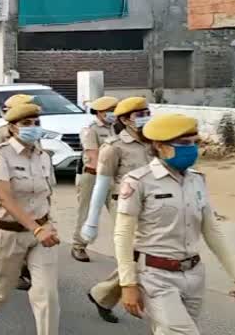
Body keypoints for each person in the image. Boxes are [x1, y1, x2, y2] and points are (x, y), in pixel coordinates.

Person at [116, 114, 235, 333]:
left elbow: (213, 231)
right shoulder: (138, 182)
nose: (192, 149)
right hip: (156, 277)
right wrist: (127, 283)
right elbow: (123, 235)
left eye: (194, 142)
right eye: (184, 144)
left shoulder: (196, 180)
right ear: (160, 146)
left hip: (193, 275)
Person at [0, 103, 60, 335]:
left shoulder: (43, 157)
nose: (33, 128)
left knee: (47, 294)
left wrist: (49, 224)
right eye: (26, 124)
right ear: (12, 128)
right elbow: (7, 200)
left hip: (40, 234)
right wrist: (37, 229)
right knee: (0, 290)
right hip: (6, 232)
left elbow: (46, 194)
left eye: (36, 123)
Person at [81, 96, 153, 324]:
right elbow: (101, 184)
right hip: (123, 205)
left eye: (147, 112)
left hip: (152, 204)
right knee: (137, 253)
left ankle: (102, 294)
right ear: (126, 119)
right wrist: (91, 222)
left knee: (142, 254)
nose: (145, 117)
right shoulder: (113, 147)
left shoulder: (153, 142)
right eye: (139, 114)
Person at [72, 96, 119, 263]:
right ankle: (79, 245)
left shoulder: (116, 127)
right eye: (110, 110)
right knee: (87, 212)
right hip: (93, 176)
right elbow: (93, 156)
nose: (114, 113)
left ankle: (128, 248)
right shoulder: (90, 129)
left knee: (120, 212)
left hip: (113, 176)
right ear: (100, 112)